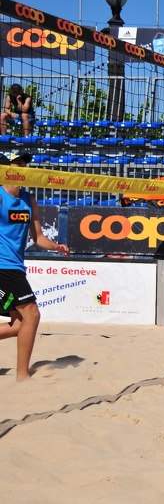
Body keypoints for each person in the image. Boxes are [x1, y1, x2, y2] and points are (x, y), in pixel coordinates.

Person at [0, 151, 70, 381]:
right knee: (32, 314)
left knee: (18, 325)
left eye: (24, 164)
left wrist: (56, 247)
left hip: (15, 266)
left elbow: (38, 236)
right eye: (17, 164)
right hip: (2, 266)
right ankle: (22, 377)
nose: (23, 168)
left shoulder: (29, 199)